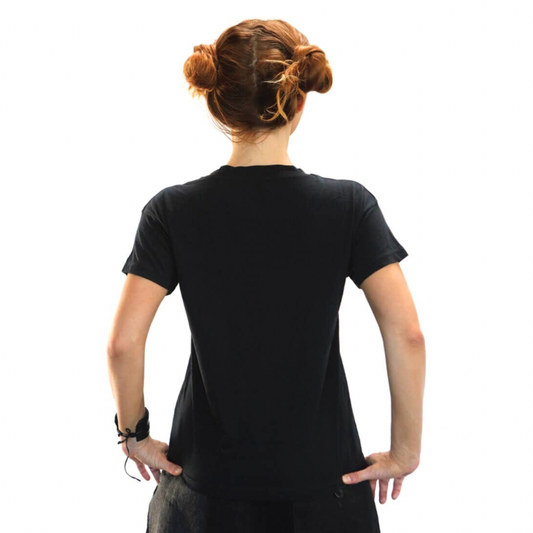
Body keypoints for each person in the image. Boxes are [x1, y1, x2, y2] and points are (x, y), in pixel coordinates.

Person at [107, 18, 425, 533]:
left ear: (217, 105)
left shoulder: (171, 211)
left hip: (202, 495)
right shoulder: (348, 206)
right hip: (327, 494)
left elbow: (123, 343)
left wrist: (134, 435)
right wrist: (405, 450)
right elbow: (407, 333)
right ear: (299, 101)